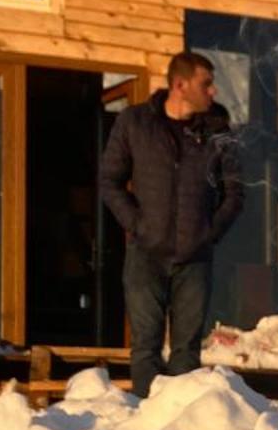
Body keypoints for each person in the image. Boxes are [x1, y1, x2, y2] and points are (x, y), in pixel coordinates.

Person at [98, 52, 245, 396]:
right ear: (180, 84)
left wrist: (209, 234)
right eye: (205, 83)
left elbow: (235, 193)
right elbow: (110, 181)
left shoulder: (218, 133)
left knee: (186, 353)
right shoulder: (135, 123)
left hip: (195, 259)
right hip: (145, 254)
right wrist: (137, 224)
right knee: (146, 348)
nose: (213, 91)